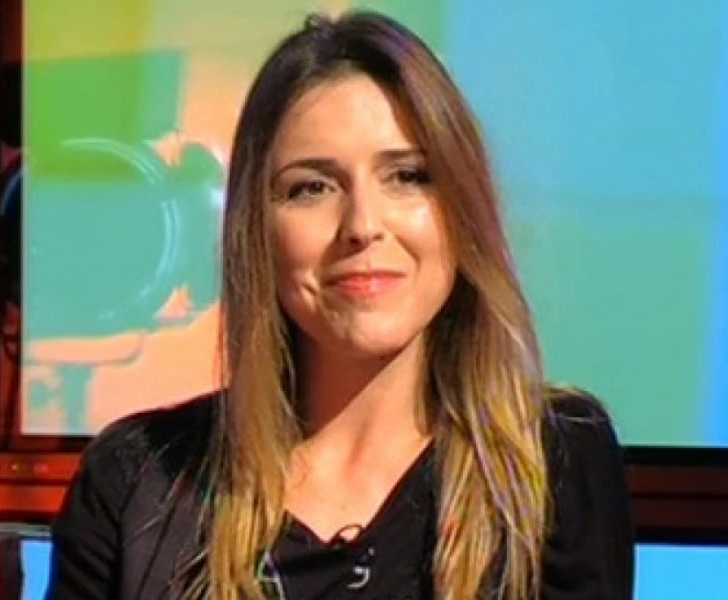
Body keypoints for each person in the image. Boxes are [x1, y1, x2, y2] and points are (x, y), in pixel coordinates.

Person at [46, 10, 634, 600]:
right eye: (312, 187)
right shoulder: (136, 480)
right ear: (256, 228)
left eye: (407, 176)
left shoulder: (552, 462)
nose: (362, 225)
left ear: (461, 208)